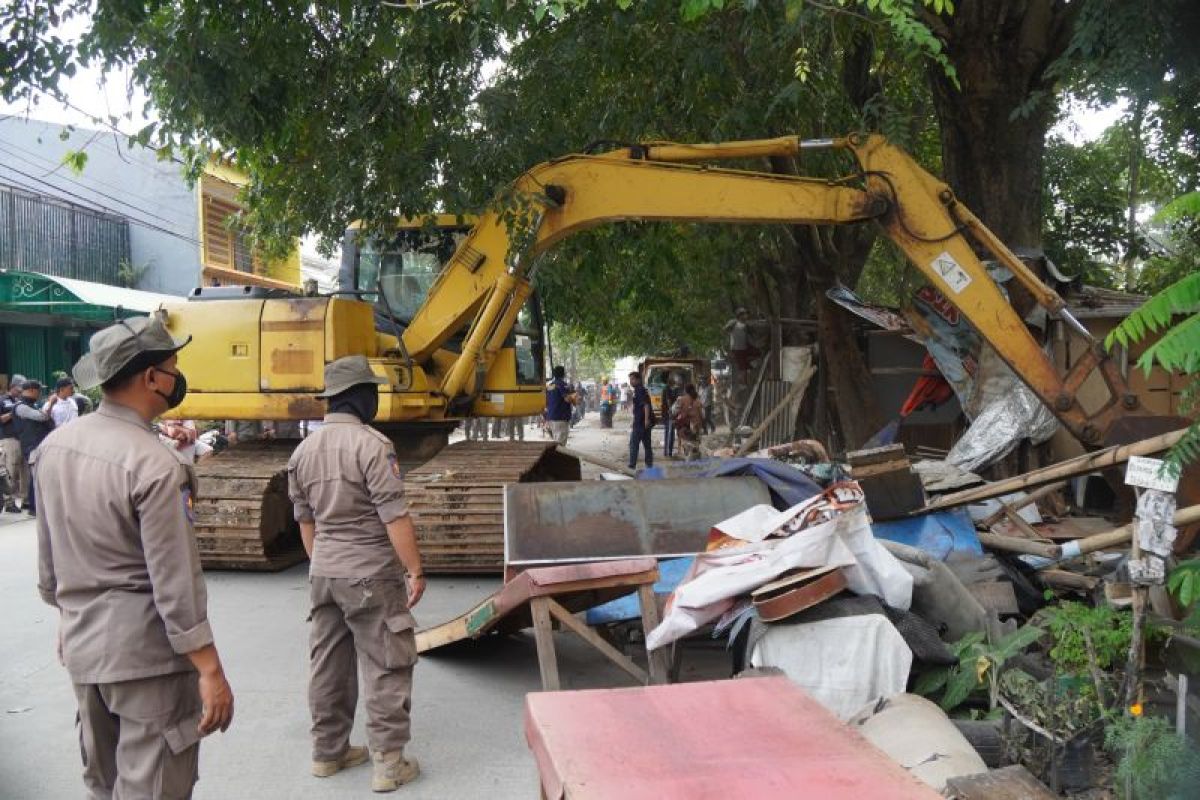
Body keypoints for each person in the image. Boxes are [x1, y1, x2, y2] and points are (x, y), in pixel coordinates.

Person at [35, 316, 234, 799]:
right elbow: (176, 584)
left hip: (85, 651)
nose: (176, 376)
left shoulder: (54, 447)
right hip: (147, 660)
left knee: (103, 785)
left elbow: (50, 565)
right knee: (153, 787)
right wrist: (209, 669)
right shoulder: (154, 463)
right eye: (172, 366)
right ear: (151, 378)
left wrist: (68, 618)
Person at [287, 355, 424, 792]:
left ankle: (328, 753)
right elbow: (394, 516)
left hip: (325, 572)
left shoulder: (302, 451)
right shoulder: (373, 445)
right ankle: (388, 763)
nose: (377, 399)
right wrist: (415, 570)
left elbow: (305, 521)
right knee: (386, 661)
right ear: (360, 397)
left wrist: (321, 565)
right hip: (370, 574)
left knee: (328, 663)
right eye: (374, 392)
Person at [14, 380, 54, 515]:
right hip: (32, 447)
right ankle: (34, 507)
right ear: (31, 390)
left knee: (38, 476)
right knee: (36, 477)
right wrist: (51, 404)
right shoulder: (21, 407)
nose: (40, 393)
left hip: (38, 445)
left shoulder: (32, 405)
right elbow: (42, 417)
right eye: (39, 390)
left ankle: (36, 507)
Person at [0, 375, 27, 512]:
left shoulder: (21, 401)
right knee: (10, 470)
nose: (21, 392)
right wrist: (13, 412)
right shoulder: (3, 400)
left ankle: (24, 499)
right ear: (12, 387)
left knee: (24, 470)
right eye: (19, 389)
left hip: (22, 438)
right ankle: (9, 502)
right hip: (9, 439)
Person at [725, 308, 760, 388]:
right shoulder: (734, 323)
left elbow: (752, 335)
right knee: (742, 368)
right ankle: (743, 384)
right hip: (737, 349)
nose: (746, 316)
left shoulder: (747, 325)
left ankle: (750, 366)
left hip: (746, 347)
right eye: (744, 314)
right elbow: (725, 329)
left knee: (757, 353)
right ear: (740, 316)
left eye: (746, 314)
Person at [628, 371, 654, 470]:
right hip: (640, 421)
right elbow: (638, 408)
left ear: (638, 380)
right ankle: (649, 465)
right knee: (647, 445)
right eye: (630, 379)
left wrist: (646, 420)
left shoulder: (640, 390)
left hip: (641, 423)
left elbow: (646, 405)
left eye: (632, 379)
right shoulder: (639, 390)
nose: (631, 381)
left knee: (634, 444)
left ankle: (632, 465)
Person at [674, 383, 705, 460]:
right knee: (695, 444)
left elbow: (674, 411)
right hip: (697, 426)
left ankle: (686, 458)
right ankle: (695, 459)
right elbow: (703, 415)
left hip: (685, 426)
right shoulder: (698, 401)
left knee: (685, 443)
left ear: (685, 390)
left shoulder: (680, 399)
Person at [545, 365, 574, 446]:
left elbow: (546, 400)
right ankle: (556, 458)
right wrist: (574, 398)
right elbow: (567, 399)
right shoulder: (563, 384)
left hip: (551, 417)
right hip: (561, 417)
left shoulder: (550, 385)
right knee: (560, 445)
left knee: (555, 442)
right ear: (563, 374)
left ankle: (555, 457)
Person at [660, 373, 682, 458]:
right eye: (672, 377)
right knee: (670, 433)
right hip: (669, 413)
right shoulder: (667, 389)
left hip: (669, 413)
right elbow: (669, 401)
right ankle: (668, 452)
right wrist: (671, 413)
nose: (674, 378)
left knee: (669, 432)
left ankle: (668, 452)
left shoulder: (672, 389)